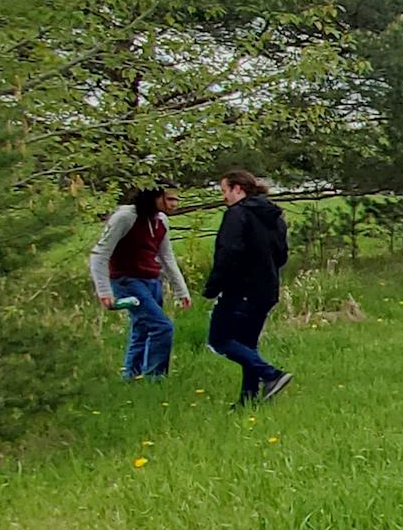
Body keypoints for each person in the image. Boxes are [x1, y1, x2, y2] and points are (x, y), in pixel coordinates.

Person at [84, 188, 191, 379]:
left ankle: (131, 377)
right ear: (154, 197)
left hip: (152, 281)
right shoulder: (125, 217)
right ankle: (155, 378)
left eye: (176, 199)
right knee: (162, 327)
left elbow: (166, 257)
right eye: (169, 199)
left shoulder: (161, 220)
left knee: (142, 329)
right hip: (127, 281)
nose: (174, 204)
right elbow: (100, 254)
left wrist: (181, 291)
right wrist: (104, 290)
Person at [204, 169, 292, 401]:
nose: (223, 196)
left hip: (240, 289)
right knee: (247, 344)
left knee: (219, 340)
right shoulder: (273, 216)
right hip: (267, 289)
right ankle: (248, 398)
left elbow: (228, 252)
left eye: (224, 190)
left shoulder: (237, 214)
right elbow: (282, 255)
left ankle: (271, 374)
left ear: (237, 189)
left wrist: (213, 287)